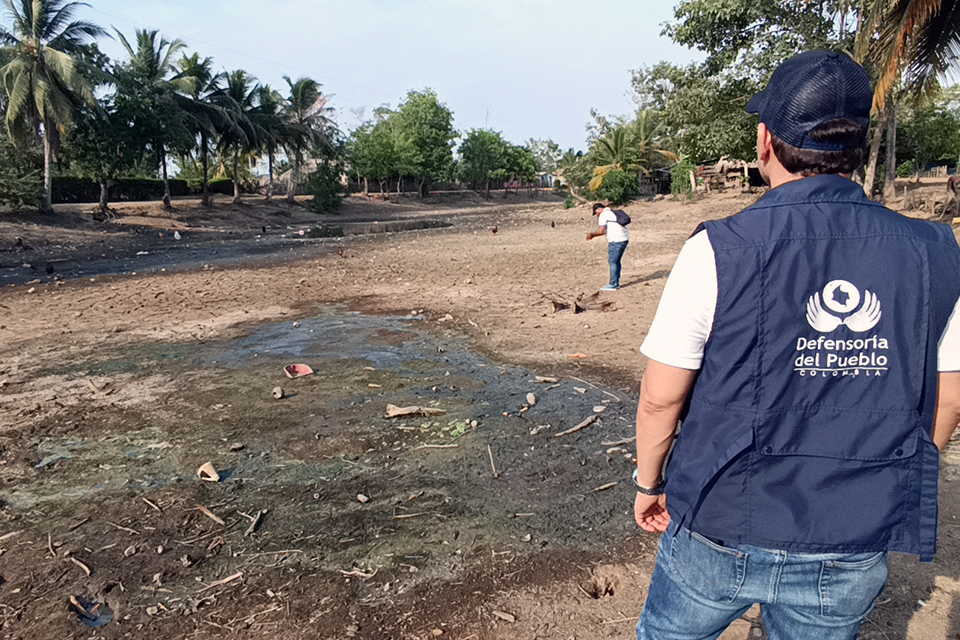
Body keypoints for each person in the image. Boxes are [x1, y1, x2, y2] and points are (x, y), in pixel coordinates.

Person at [632, 50, 960, 640]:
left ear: (764, 141)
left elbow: (661, 398)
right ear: (858, 143)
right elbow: (949, 400)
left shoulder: (716, 249)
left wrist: (649, 483)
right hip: (852, 532)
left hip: (722, 520)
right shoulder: (936, 254)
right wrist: (883, 480)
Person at [586, 202, 628, 290]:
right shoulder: (612, 212)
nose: (597, 215)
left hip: (616, 240)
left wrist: (592, 235)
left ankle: (613, 284)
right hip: (624, 238)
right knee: (616, 261)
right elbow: (605, 231)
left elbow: (601, 231)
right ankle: (616, 282)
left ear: (598, 210)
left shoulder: (603, 215)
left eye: (596, 213)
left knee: (613, 261)